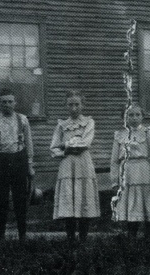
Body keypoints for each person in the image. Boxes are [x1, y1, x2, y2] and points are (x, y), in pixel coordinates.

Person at [0, 88, 35, 241]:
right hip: (0, 161)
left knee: (20, 198)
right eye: (3, 102)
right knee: (1, 199)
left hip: (19, 160)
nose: (7, 104)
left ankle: (22, 235)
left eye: (10, 101)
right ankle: (0, 236)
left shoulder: (23, 120)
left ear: (15, 103)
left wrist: (30, 165)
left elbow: (29, 142)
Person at [50, 90, 100, 241]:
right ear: (66, 106)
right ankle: (70, 238)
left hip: (83, 163)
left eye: (77, 104)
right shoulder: (61, 125)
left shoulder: (88, 122)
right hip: (67, 164)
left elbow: (85, 143)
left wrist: (65, 144)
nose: (73, 108)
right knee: (69, 199)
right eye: (70, 104)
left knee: (83, 198)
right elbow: (53, 148)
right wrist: (63, 150)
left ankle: (83, 237)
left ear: (82, 105)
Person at [110, 104, 150, 238]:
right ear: (124, 118)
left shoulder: (148, 132)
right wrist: (114, 181)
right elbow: (114, 160)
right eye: (130, 115)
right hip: (127, 173)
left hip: (144, 172)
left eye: (137, 115)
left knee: (147, 204)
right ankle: (132, 236)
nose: (134, 118)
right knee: (131, 205)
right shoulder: (120, 135)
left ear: (142, 116)